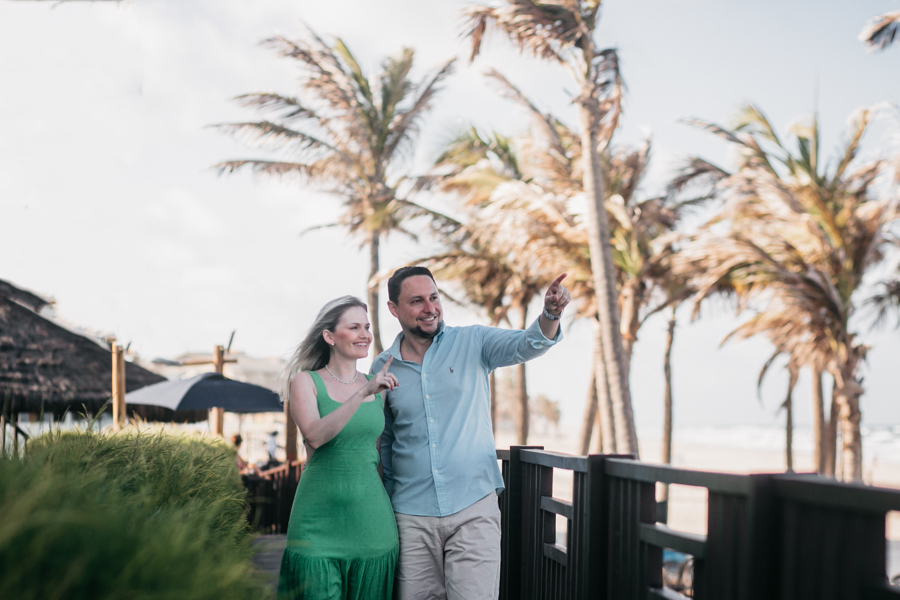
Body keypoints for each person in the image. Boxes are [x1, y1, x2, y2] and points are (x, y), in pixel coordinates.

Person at [372, 266, 570, 600]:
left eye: (434, 298)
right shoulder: (383, 367)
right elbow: (383, 440)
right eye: (417, 301)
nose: (430, 308)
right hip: (410, 516)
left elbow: (528, 343)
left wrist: (550, 313)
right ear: (394, 309)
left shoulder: (473, 342)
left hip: (472, 507)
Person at [278, 295, 400, 600]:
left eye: (367, 327)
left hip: (372, 523)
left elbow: (374, 456)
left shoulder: (378, 387)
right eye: (354, 327)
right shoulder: (305, 382)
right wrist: (361, 394)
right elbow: (316, 437)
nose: (365, 335)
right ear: (330, 336)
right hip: (317, 523)